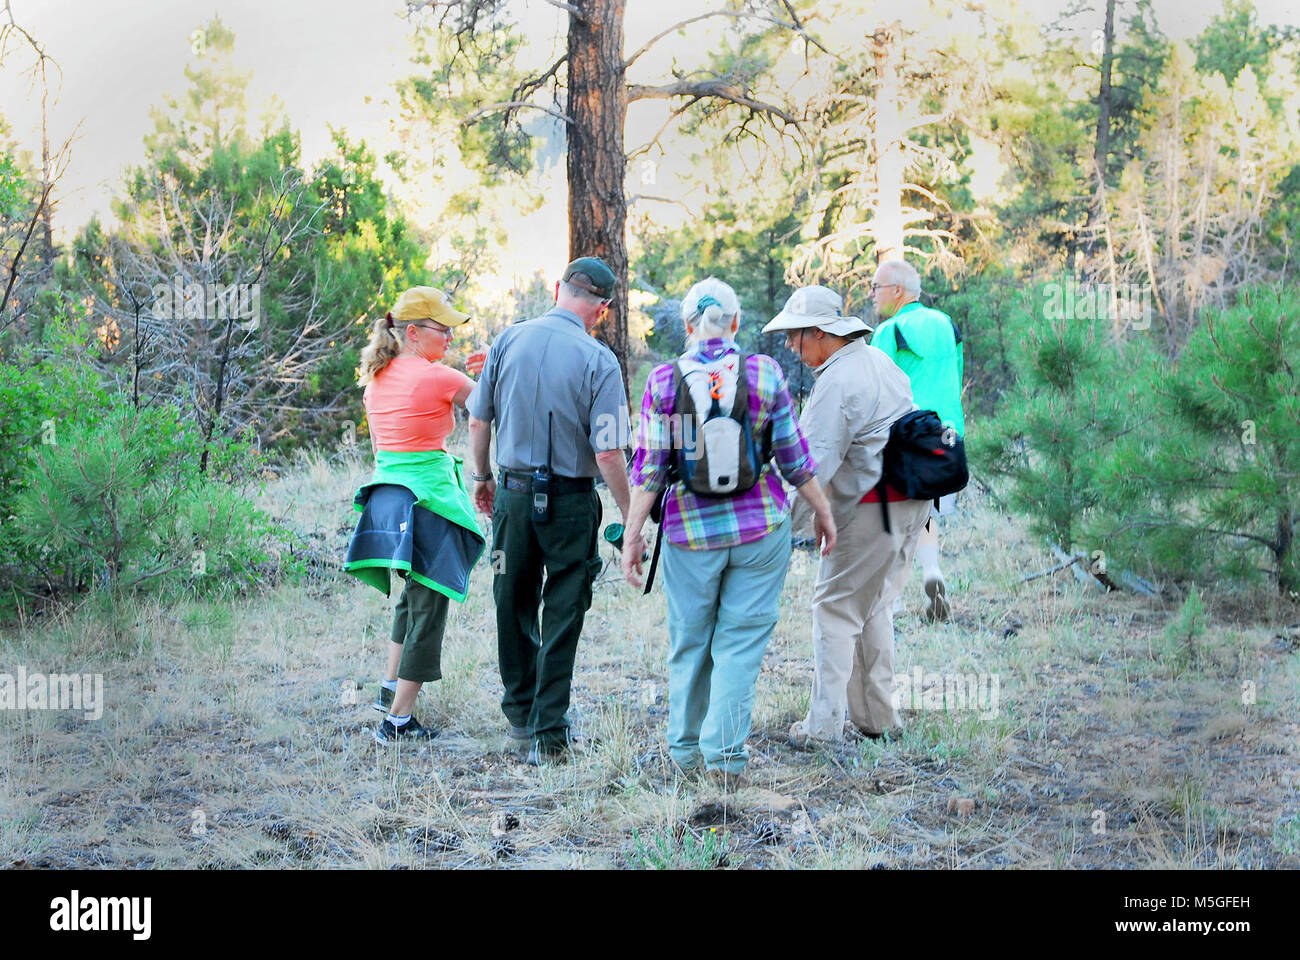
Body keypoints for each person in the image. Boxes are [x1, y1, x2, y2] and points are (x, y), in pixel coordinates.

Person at [621, 277, 836, 791]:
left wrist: (632, 536)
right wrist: (823, 512)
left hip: (690, 536)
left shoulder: (663, 383)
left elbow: (649, 469)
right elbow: (794, 458)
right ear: (736, 324)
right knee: (740, 642)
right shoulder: (765, 373)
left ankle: (685, 748)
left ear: (688, 327)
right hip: (761, 529)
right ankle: (725, 758)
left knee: (690, 640)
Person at [466, 257, 633, 765]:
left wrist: (483, 477)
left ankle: (520, 714)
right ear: (601, 310)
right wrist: (632, 516)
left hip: (512, 501)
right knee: (564, 611)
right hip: (572, 504)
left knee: (509, 596)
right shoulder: (599, 360)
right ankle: (549, 733)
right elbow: (608, 453)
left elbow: (477, 422)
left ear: (558, 287)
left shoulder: (507, 341)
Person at [762, 285, 930, 747]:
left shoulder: (837, 380)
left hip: (874, 506)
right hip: (911, 501)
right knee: (872, 605)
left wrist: (775, 527)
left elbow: (811, 464)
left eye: (795, 337)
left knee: (835, 609)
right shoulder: (878, 359)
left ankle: (823, 728)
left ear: (821, 332)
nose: (791, 347)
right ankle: (877, 718)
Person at [343, 286, 486, 744]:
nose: (449, 338)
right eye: (441, 330)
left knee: (411, 599)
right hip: (429, 502)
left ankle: (389, 689)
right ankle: (398, 721)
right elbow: (489, 408)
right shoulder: (438, 377)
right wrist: (487, 373)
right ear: (412, 333)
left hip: (388, 499)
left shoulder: (376, 380)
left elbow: (379, 450)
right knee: (429, 607)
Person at [868, 259, 965, 621]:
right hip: (949, 435)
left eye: (877, 286)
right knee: (926, 510)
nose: (873, 293)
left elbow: (875, 389)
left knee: (891, 516)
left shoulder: (889, 330)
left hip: (907, 437)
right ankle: (932, 571)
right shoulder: (946, 324)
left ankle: (891, 601)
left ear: (897, 291)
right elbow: (956, 376)